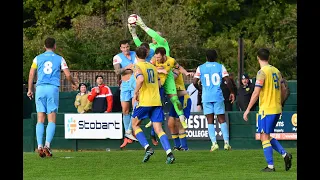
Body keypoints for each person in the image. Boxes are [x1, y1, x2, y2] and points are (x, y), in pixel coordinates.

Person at [243, 48, 292, 172]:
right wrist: (280, 103)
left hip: (266, 109)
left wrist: (248, 109)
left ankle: (271, 166)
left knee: (263, 137)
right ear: (268, 57)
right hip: (276, 109)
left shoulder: (262, 72)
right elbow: (284, 89)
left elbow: (256, 92)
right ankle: (285, 154)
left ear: (258, 58)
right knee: (266, 135)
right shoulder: (276, 71)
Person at [27, 37, 77, 158]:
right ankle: (47, 145)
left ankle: (39, 146)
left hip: (40, 89)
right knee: (51, 120)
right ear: (54, 46)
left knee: (40, 119)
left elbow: (32, 73)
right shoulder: (60, 59)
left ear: (44, 46)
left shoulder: (37, 58)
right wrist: (73, 83)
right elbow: (67, 74)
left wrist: (30, 89)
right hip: (52, 89)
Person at [131, 46, 175, 164]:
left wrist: (135, 93)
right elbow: (160, 84)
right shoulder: (152, 67)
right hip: (156, 101)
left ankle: (147, 148)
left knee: (134, 125)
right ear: (146, 55)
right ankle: (169, 153)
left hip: (145, 101)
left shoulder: (136, 66)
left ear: (136, 56)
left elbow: (140, 79)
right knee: (158, 129)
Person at [193, 49, 235, 151]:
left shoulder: (200, 68)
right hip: (217, 96)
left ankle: (214, 143)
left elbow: (194, 82)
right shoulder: (220, 66)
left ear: (206, 58)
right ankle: (226, 143)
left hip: (206, 97)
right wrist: (232, 92)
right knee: (221, 119)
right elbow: (227, 81)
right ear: (216, 57)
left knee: (210, 120)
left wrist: (200, 90)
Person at [113, 40, 138, 146]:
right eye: (123, 47)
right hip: (125, 85)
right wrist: (128, 68)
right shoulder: (117, 57)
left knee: (136, 107)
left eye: (127, 47)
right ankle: (128, 135)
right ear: (120, 48)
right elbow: (117, 71)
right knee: (125, 110)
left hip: (135, 84)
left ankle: (129, 130)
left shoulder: (135, 54)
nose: (126, 49)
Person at [168, 68, 191, 151]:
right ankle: (177, 146)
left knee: (179, 121)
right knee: (170, 123)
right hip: (174, 99)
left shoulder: (175, 71)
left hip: (182, 98)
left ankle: (184, 147)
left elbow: (173, 76)